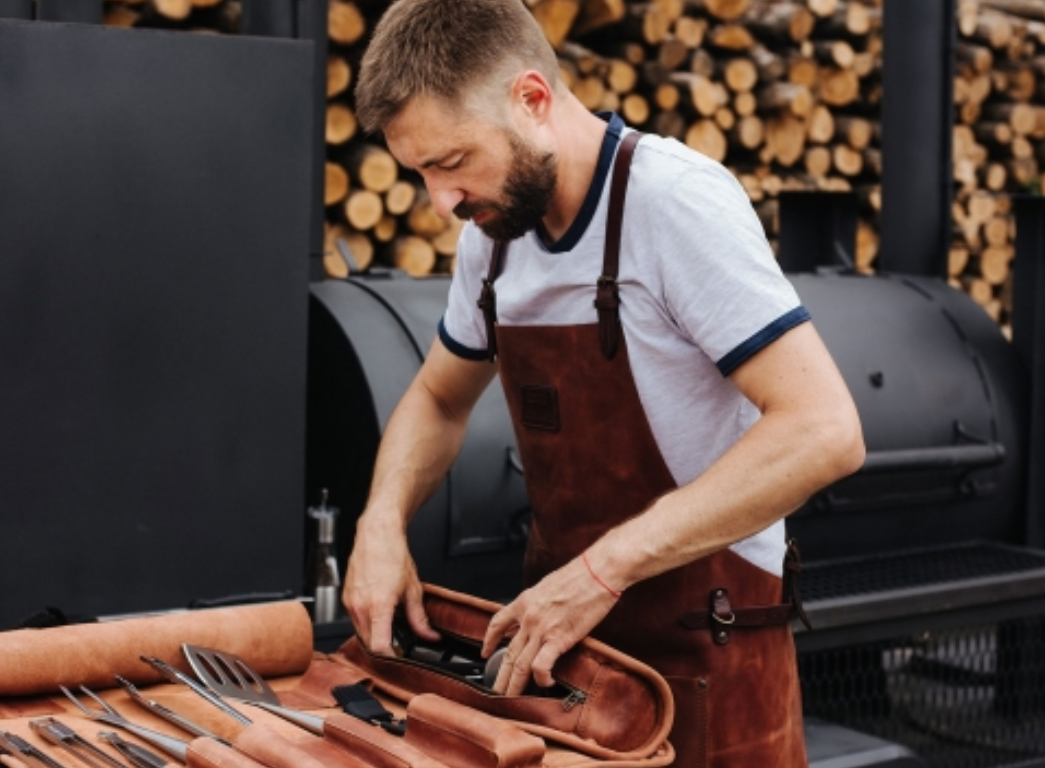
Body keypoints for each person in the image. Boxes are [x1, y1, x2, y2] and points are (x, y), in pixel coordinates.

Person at [342, 1, 865, 765]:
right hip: (562, 663)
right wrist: (381, 524)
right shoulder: (491, 241)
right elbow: (437, 398)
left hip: (705, 660)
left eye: (451, 163)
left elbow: (825, 430)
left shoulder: (673, 202)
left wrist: (600, 570)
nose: (440, 201)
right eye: (421, 173)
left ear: (532, 99)